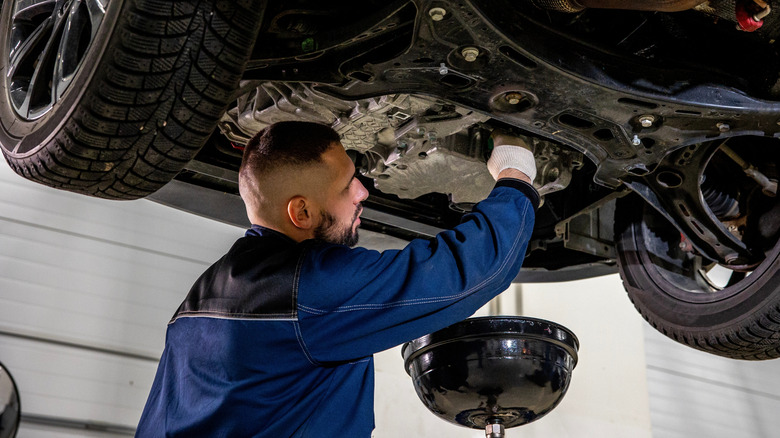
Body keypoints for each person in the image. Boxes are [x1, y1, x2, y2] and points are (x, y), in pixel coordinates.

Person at [135, 121, 539, 437]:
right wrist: (515, 174)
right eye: (347, 186)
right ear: (302, 213)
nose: (363, 192)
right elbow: (471, 271)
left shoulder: (201, 294)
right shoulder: (308, 289)